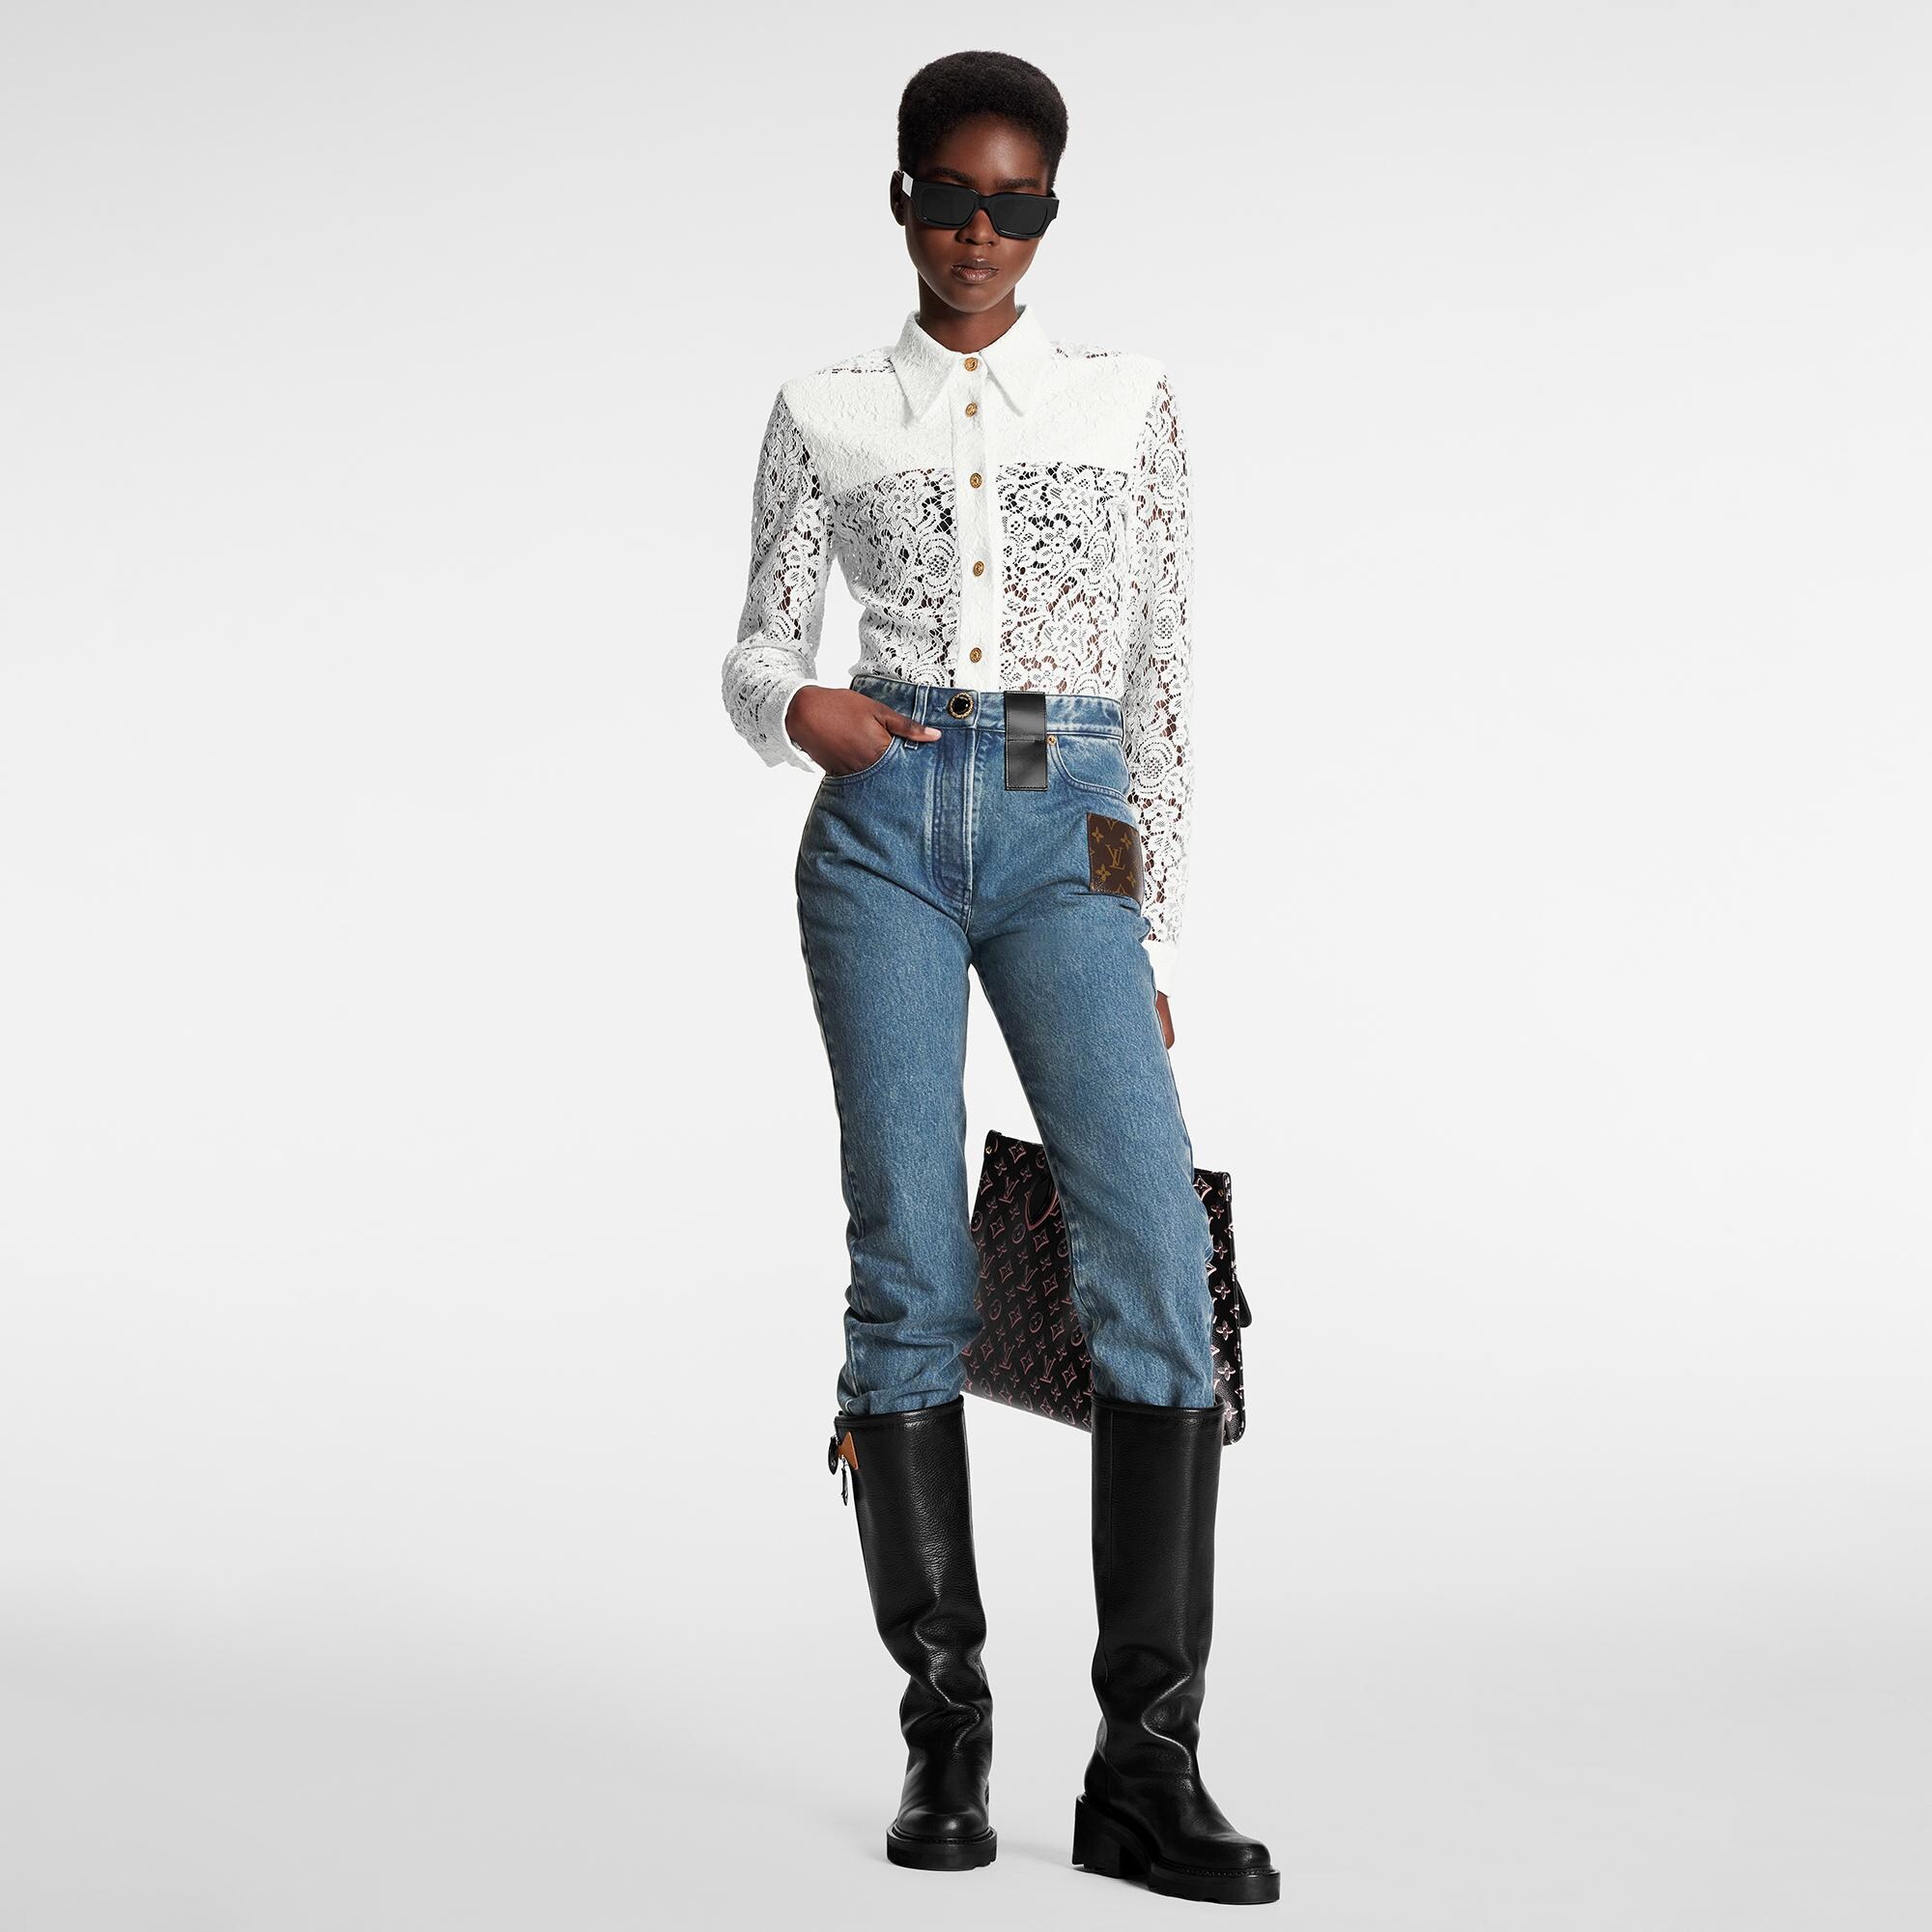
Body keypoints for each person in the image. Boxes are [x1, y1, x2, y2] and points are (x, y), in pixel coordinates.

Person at [720, 48, 1278, 1908]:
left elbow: (1161, 667)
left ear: (1050, 210)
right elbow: (757, 645)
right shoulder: (822, 407)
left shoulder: (1125, 402)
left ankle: (1147, 1765)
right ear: (902, 196)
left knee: (1155, 1259)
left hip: (1065, 813)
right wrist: (799, 709)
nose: (980, 234)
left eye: (1017, 204)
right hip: (882, 822)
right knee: (911, 1260)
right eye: (952, 198)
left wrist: (1143, 923)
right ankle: (944, 1726)